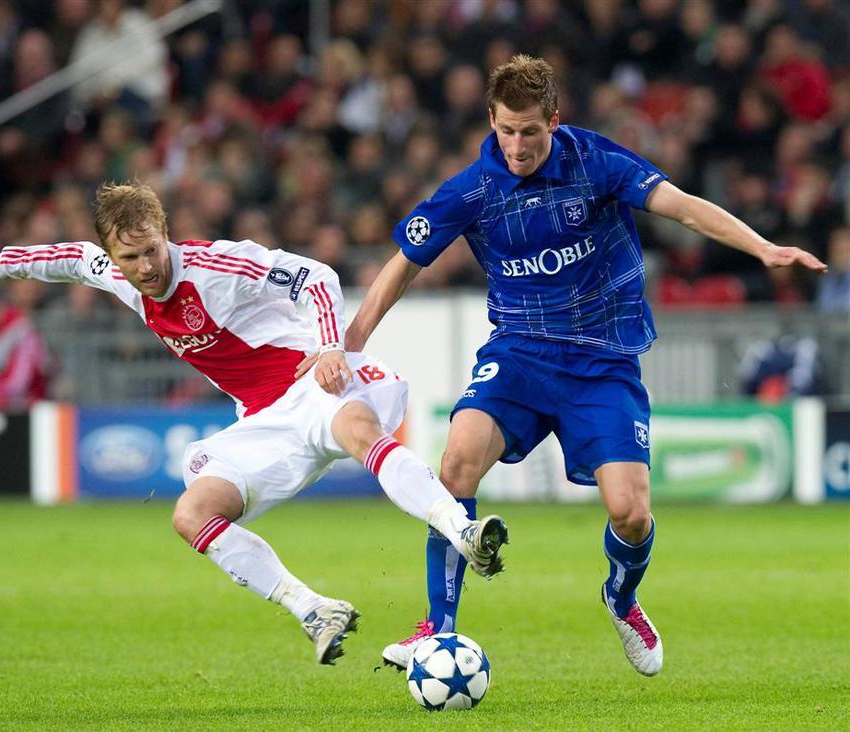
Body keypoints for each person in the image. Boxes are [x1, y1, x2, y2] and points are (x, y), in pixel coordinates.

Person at [340, 55, 827, 676]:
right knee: (457, 460)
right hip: (519, 354)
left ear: (555, 122)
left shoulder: (594, 162)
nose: (516, 146)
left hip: (603, 361)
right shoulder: (472, 190)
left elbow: (680, 205)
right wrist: (350, 344)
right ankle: (438, 630)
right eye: (506, 131)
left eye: (530, 133)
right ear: (491, 120)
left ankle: (621, 598)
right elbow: (403, 263)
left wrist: (762, 247)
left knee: (630, 510)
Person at [0, 182, 509, 665]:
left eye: (152, 250)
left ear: (164, 233)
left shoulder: (215, 263)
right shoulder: (118, 272)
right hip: (263, 422)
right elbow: (74, 260)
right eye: (130, 259)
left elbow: (317, 277)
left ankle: (458, 527)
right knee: (191, 514)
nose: (145, 267)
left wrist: (333, 346)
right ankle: (313, 608)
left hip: (314, 379)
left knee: (356, 428)